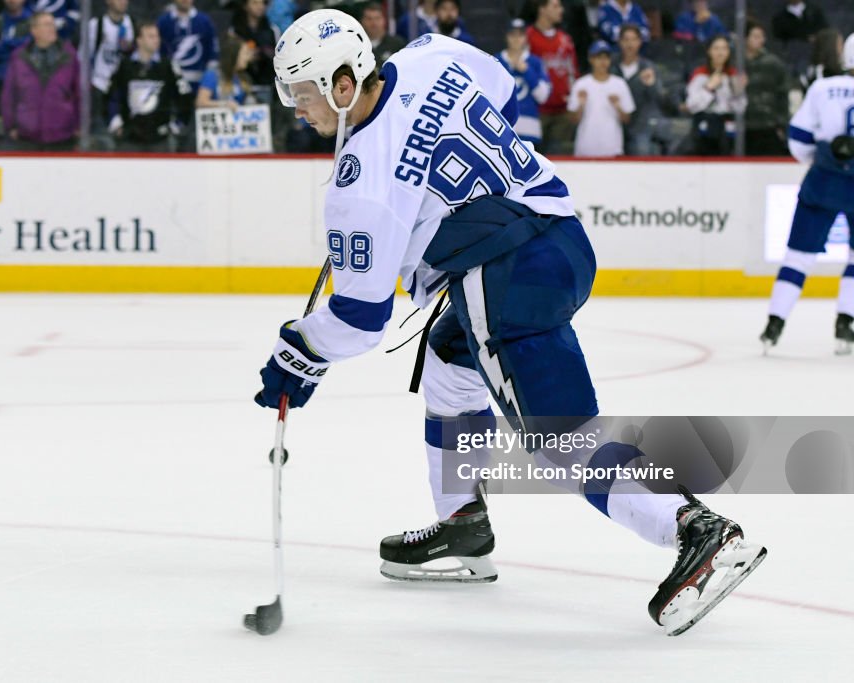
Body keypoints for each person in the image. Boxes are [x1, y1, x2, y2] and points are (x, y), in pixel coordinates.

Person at [261, 8, 766, 634]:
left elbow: (362, 319)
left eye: (301, 93)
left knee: (561, 437)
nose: (295, 108)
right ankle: (462, 524)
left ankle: (693, 529)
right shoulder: (429, 53)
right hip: (562, 235)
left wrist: (299, 352)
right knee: (451, 365)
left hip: (505, 277)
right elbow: (501, 87)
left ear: (342, 85)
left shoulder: (358, 184)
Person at [760, 34, 854, 354]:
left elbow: (798, 138)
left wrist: (822, 162)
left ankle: (775, 323)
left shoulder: (822, 88)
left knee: (798, 256)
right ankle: (846, 320)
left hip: (824, 180)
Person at [108, 21, 193, 151]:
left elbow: (185, 96)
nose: (156, 40)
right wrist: (115, 122)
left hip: (160, 138)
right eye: (151, 36)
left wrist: (177, 124)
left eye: (157, 36)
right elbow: (111, 95)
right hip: (130, 138)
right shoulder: (125, 66)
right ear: (139, 40)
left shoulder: (168, 66)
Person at [1, 11, 80, 150]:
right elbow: (9, 94)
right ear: (34, 31)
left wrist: (79, 124)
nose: (52, 28)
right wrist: (11, 126)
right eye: (47, 25)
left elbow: (80, 92)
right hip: (27, 135)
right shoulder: (19, 57)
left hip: (62, 135)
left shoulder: (69, 55)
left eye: (53, 24)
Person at [527, 0, 579, 154]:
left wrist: (573, 102)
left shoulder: (565, 39)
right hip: (536, 111)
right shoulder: (527, 37)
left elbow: (573, 72)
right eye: (555, 6)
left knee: (561, 160)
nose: (561, 10)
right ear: (542, 9)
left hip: (562, 112)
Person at [568, 40, 633, 156]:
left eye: (606, 57)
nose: (603, 62)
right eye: (599, 57)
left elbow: (627, 119)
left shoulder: (619, 84)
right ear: (591, 59)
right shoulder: (581, 84)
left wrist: (618, 106)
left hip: (612, 147)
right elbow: (573, 120)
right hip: (585, 147)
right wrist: (581, 106)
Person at [684, 35, 746, 156]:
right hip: (704, 129)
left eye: (724, 48)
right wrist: (708, 89)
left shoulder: (733, 75)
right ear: (709, 51)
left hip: (728, 130)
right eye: (716, 48)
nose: (720, 53)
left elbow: (741, 108)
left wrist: (737, 92)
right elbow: (691, 105)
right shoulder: (700, 75)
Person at [497, 18, 551, 147]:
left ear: (525, 38)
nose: (516, 39)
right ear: (506, 36)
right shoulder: (497, 61)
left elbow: (543, 96)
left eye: (520, 35)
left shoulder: (535, 62)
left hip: (530, 130)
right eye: (512, 34)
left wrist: (527, 71)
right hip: (503, 130)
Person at [613, 23, 665, 155]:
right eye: (626, 39)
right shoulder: (611, 66)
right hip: (614, 121)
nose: (630, 44)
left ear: (640, 42)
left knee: (641, 149)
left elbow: (659, 98)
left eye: (633, 39)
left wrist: (651, 84)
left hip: (640, 125)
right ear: (619, 42)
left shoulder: (648, 67)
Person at [85, 0, 135, 132]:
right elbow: (83, 58)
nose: (123, 2)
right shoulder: (96, 25)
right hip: (100, 86)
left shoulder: (132, 24)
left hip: (124, 88)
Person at [743, 21, 789, 156]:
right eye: (756, 36)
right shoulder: (736, 62)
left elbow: (782, 94)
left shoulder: (773, 63)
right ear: (745, 38)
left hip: (768, 124)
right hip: (743, 126)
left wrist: (781, 123)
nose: (761, 40)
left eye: (762, 36)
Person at [158, 0, 218, 95]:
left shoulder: (204, 21)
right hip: (170, 85)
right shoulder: (164, 22)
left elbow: (212, 55)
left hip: (199, 85)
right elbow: (159, 52)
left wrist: (207, 83)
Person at [0, 0, 33, 111]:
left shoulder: (33, 22)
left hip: (28, 85)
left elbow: (33, 49)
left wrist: (5, 43)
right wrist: (19, 44)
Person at [230, 0, 279, 92]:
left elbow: (278, 56)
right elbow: (229, 60)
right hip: (242, 85)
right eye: (255, 3)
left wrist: (262, 54)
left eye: (263, 3)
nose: (260, 6)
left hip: (266, 84)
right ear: (245, 6)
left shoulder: (272, 30)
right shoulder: (235, 31)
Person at [196, 34, 253, 110]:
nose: (248, 58)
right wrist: (224, 104)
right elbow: (200, 102)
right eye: (245, 54)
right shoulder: (213, 75)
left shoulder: (243, 78)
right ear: (234, 54)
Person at [361, 2, 406, 66]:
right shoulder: (357, 46)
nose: (374, 23)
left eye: (377, 18)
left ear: (384, 20)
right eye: (369, 19)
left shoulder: (397, 44)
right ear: (362, 21)